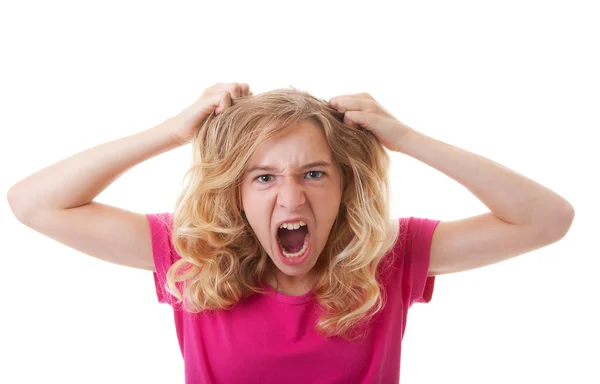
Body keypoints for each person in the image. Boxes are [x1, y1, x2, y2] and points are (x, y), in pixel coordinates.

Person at [7, 82, 575, 383]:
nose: (291, 196)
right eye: (263, 176)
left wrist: (405, 138)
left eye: (313, 173)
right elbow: (33, 203)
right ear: (235, 191)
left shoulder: (391, 258)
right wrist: (171, 132)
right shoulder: (193, 257)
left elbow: (547, 220)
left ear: (345, 186)